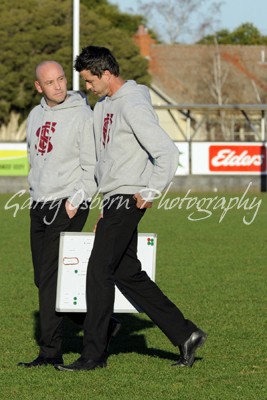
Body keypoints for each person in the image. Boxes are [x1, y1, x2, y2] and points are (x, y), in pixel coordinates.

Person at [56, 46, 207, 372]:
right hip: (114, 201)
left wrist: (150, 188)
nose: (87, 87)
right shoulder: (103, 107)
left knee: (98, 271)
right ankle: (185, 333)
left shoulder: (134, 103)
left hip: (129, 198)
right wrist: (102, 209)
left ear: (106, 74)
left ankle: (93, 355)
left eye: (89, 81)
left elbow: (167, 152)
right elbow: (106, 164)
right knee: (127, 273)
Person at [18, 60, 120, 368]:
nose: (59, 86)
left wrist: (75, 201)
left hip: (68, 202)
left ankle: (51, 352)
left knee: (49, 278)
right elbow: (34, 157)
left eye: (62, 79)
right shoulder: (35, 115)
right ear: (39, 87)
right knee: (43, 278)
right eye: (50, 83)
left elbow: (92, 165)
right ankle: (101, 321)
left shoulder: (82, 114)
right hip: (39, 203)